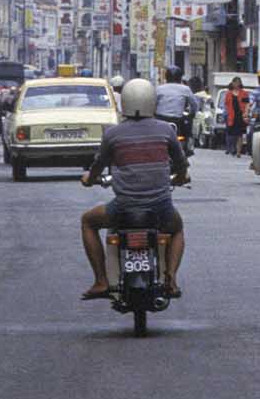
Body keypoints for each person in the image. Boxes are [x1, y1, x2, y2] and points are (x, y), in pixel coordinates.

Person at [80, 78, 190, 300]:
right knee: (176, 229)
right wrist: (180, 177)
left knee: (87, 221)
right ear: (152, 102)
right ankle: (171, 279)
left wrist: (89, 178)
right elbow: (181, 164)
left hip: (123, 208)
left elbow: (98, 166)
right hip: (160, 208)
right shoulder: (166, 130)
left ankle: (101, 281)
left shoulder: (112, 134)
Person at [154, 67, 196, 151]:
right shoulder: (185, 89)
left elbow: (152, 103)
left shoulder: (159, 89)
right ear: (180, 77)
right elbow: (194, 104)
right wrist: (192, 114)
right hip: (178, 120)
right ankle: (188, 147)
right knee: (187, 131)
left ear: (166, 77)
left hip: (160, 119)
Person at [223, 77, 249, 156]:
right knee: (232, 134)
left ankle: (238, 151)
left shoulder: (244, 93)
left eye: (238, 82)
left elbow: (247, 104)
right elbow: (226, 105)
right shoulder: (228, 94)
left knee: (240, 134)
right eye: (235, 82)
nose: (237, 84)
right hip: (231, 116)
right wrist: (227, 113)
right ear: (232, 83)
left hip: (240, 115)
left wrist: (246, 113)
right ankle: (231, 148)